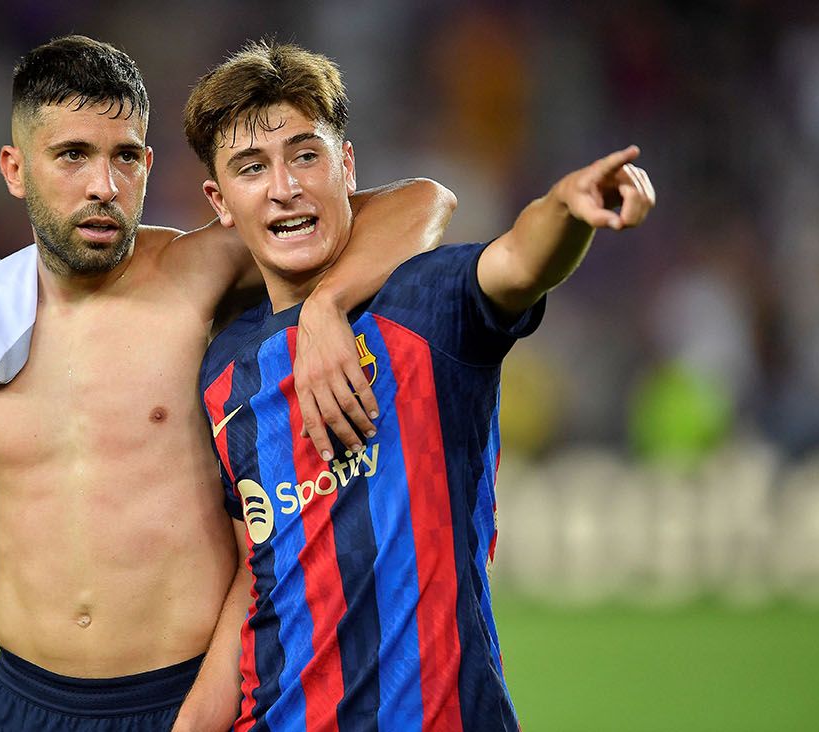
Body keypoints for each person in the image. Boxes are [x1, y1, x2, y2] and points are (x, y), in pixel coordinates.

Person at [0, 35, 457, 732]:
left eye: (124, 156)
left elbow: (421, 203)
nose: (103, 186)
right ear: (15, 168)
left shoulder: (201, 273)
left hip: (188, 701)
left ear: (147, 164)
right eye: (73, 155)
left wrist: (327, 303)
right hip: (23, 704)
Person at [182, 41, 655, 730]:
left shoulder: (426, 304)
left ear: (346, 166)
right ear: (220, 202)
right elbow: (257, 579)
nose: (284, 186)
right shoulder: (223, 369)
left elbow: (519, 261)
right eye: (252, 169)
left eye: (305, 155)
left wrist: (569, 208)